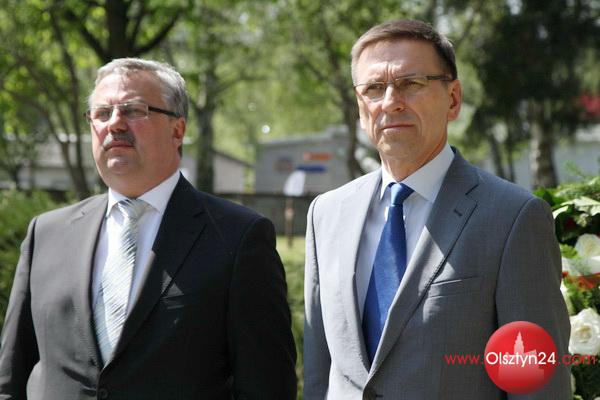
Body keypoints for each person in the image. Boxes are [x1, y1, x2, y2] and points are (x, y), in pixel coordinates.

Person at [303, 19, 570, 399]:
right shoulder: (325, 215)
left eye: (411, 83)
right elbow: (319, 373)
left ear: (453, 99)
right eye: (374, 88)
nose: (391, 101)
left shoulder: (513, 218)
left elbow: (535, 385)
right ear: (359, 105)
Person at [0, 58, 297, 399]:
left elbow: (267, 387)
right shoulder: (46, 234)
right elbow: (11, 376)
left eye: (133, 110)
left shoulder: (238, 238)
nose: (115, 123)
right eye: (102, 113)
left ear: (177, 130)